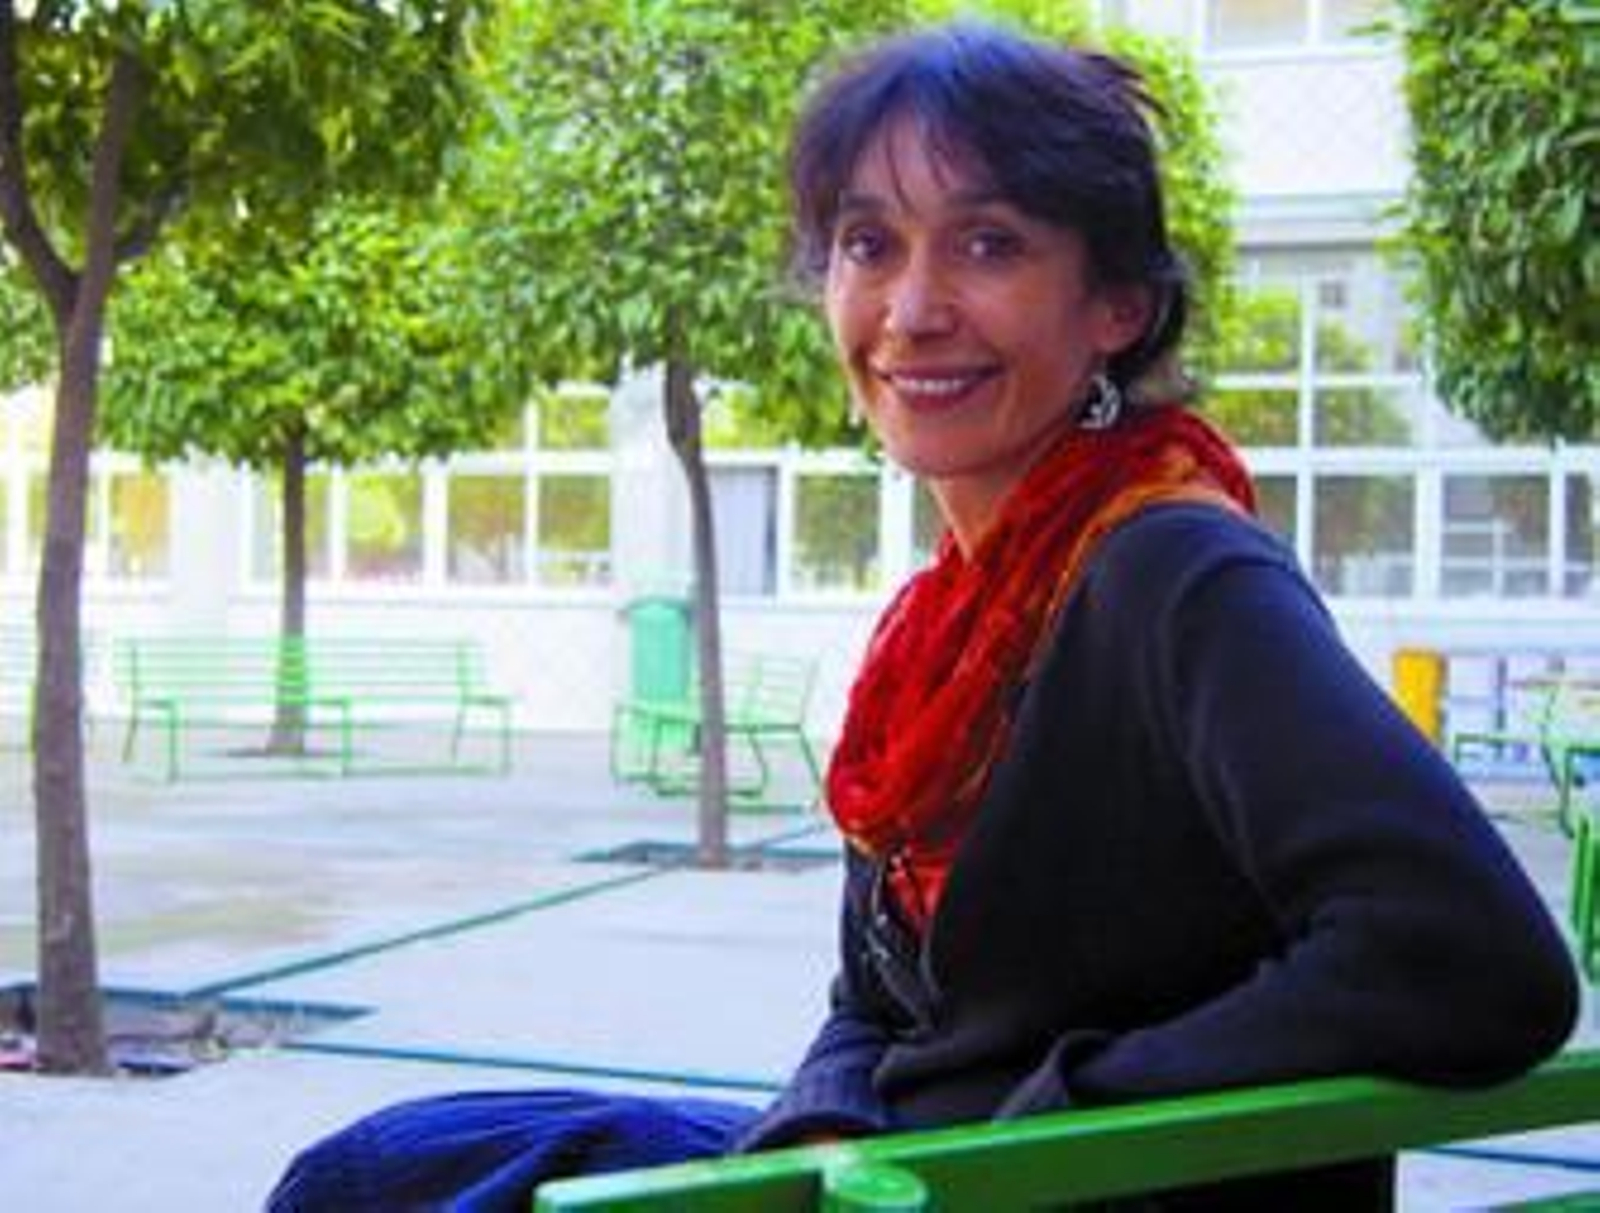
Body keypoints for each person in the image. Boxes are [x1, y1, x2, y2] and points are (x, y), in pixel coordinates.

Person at [267, 22, 1578, 1211]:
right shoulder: (945, 627)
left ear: (1117, 306)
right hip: (902, 1168)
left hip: (1048, 1189)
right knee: (381, 1168)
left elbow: (1467, 956)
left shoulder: (1175, 573)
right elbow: (872, 1004)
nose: (911, 310)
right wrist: (820, 1124)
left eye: (989, 243)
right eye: (869, 243)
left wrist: (1060, 1117)